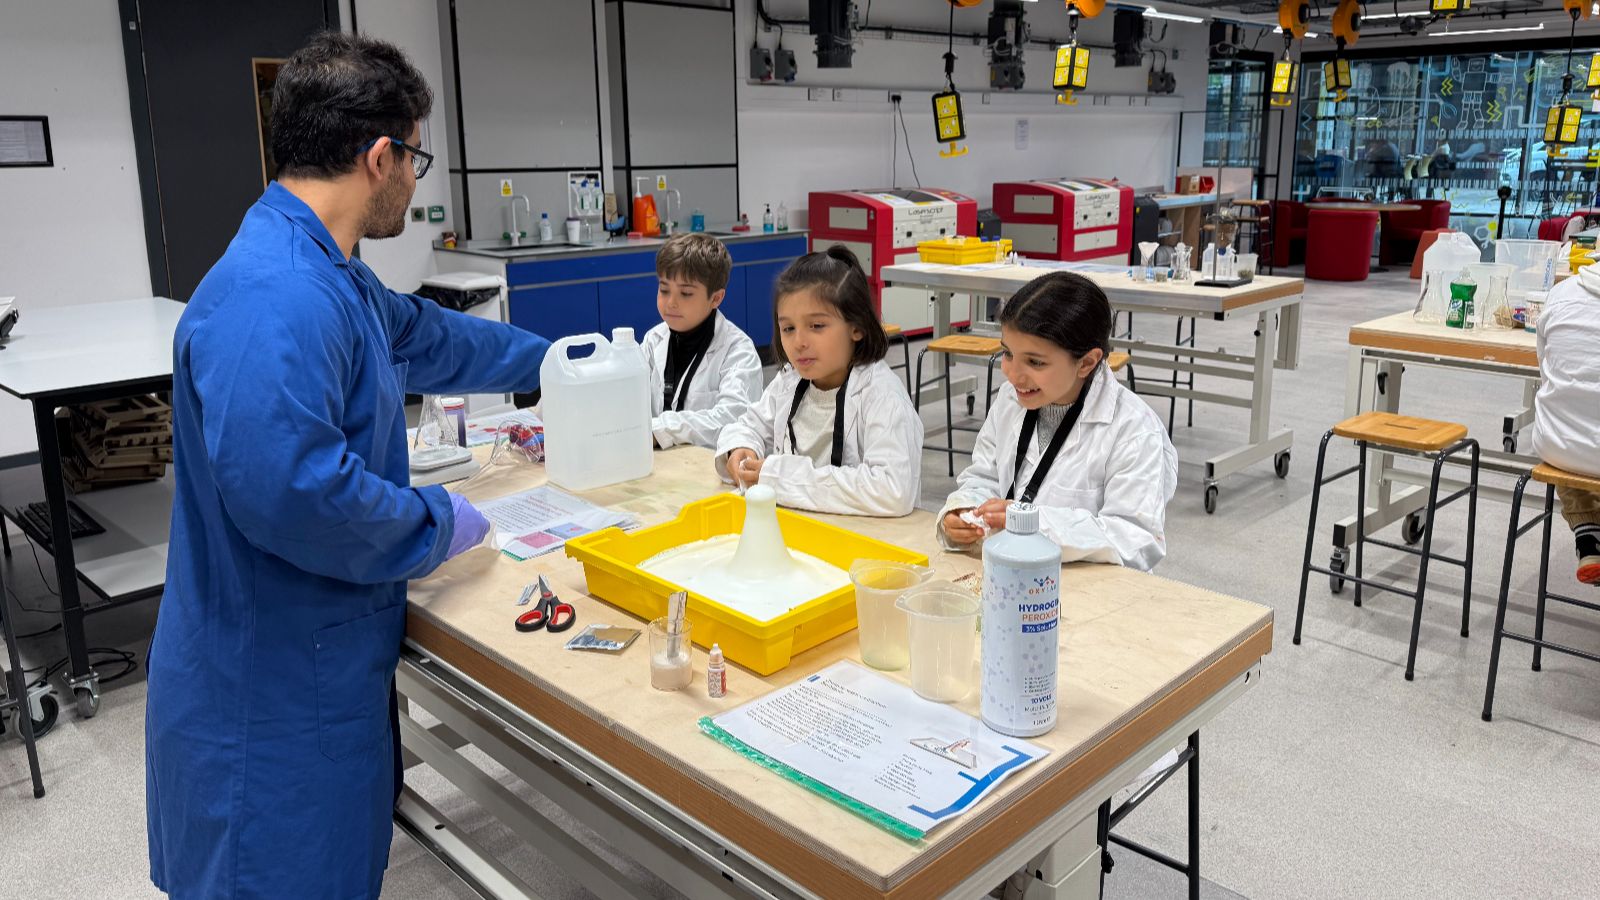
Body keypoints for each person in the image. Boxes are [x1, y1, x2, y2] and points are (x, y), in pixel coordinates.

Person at [145, 33, 550, 900]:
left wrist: (559, 367)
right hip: (270, 701)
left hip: (317, 670)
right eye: (415, 156)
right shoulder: (278, 295)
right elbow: (299, 495)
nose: (415, 179)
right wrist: (441, 523)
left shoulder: (333, 276)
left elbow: (430, 336)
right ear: (381, 156)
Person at [937, 271, 1177, 571]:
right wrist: (964, 509)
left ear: (1087, 363)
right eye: (1008, 353)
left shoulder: (1134, 430)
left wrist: (1035, 523)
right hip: (1012, 578)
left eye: (1035, 362)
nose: (1012, 374)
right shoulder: (1012, 400)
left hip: (1094, 592)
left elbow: (1136, 539)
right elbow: (985, 476)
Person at [715, 245, 922, 516]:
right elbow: (750, 425)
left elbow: (892, 491)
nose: (799, 342)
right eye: (788, 328)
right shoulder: (789, 381)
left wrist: (780, 477)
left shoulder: (881, 395)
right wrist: (741, 448)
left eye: (817, 326)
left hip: (864, 542)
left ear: (856, 327)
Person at [642, 233, 763, 449]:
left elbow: (733, 419)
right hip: (660, 460)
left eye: (686, 293)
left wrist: (662, 429)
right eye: (664, 289)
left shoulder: (737, 351)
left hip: (712, 467)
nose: (670, 303)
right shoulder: (653, 340)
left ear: (716, 298)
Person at [1531, 264, 1600, 585]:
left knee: (1571, 417)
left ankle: (1587, 534)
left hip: (1559, 446)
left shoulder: (1561, 293)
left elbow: (1548, 374)